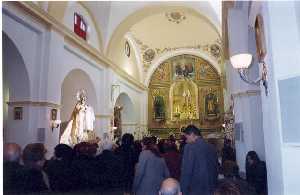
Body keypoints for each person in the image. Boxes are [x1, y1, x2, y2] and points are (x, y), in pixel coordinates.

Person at [180, 125, 218, 195]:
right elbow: (216, 169)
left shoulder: (189, 147)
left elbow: (186, 172)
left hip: (195, 190)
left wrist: (183, 190)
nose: (186, 140)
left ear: (192, 134)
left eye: (186, 137)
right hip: (211, 188)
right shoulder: (212, 147)